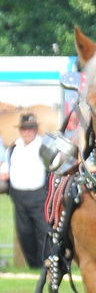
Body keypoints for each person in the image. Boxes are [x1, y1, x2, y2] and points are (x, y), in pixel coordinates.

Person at [1, 113, 49, 269]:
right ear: (20, 130)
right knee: (25, 233)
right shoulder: (14, 146)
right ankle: (33, 265)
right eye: (24, 129)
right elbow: (7, 165)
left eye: (30, 128)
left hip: (39, 195)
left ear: (35, 129)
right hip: (19, 196)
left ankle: (44, 264)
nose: (27, 132)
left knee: (43, 231)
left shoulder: (43, 146)